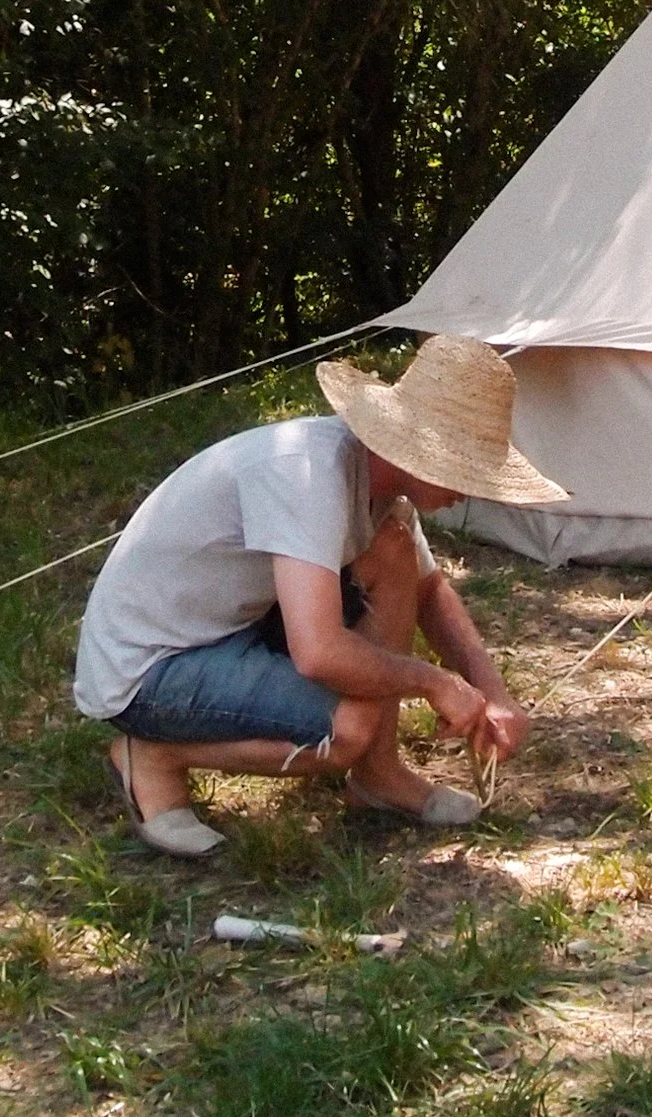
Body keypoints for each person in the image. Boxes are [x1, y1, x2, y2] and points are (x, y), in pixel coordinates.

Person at [72, 332, 561, 858]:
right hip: (150, 668)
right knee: (348, 728)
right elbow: (319, 652)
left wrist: (493, 694)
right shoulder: (307, 471)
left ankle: (379, 776)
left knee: (395, 554)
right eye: (465, 471)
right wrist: (434, 682)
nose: (470, 490)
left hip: (232, 628)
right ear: (419, 454)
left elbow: (429, 591)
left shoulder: (383, 491)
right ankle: (153, 755)